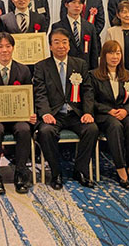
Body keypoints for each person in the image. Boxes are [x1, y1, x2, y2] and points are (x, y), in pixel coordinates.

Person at [34, 28, 98, 189]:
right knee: (45, 132)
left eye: (64, 42)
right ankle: (56, 173)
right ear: (50, 46)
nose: (61, 46)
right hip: (54, 114)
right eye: (56, 42)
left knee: (91, 129)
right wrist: (45, 113)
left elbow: (88, 91)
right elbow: (40, 93)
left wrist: (88, 112)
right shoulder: (42, 66)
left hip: (75, 113)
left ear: (69, 45)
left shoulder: (80, 64)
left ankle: (80, 170)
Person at [0, 32, 35, 195]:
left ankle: (20, 173)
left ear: (13, 48)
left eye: (8, 46)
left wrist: (31, 113)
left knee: (24, 129)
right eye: (0, 46)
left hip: (18, 117)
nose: (4, 50)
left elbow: (30, 96)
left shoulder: (23, 70)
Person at [90, 40, 129, 189]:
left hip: (124, 111)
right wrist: (108, 110)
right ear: (104, 55)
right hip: (105, 114)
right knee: (115, 126)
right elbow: (91, 100)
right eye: (111, 53)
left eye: (118, 53)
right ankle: (120, 168)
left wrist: (126, 111)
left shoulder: (128, 75)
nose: (115, 57)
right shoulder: (93, 75)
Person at [51, 0, 100, 69]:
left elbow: (94, 52)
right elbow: (53, 50)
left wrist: (94, 71)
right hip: (65, 67)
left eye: (80, 3)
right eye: (73, 2)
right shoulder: (57, 26)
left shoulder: (89, 27)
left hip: (85, 68)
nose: (77, 6)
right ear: (66, 4)